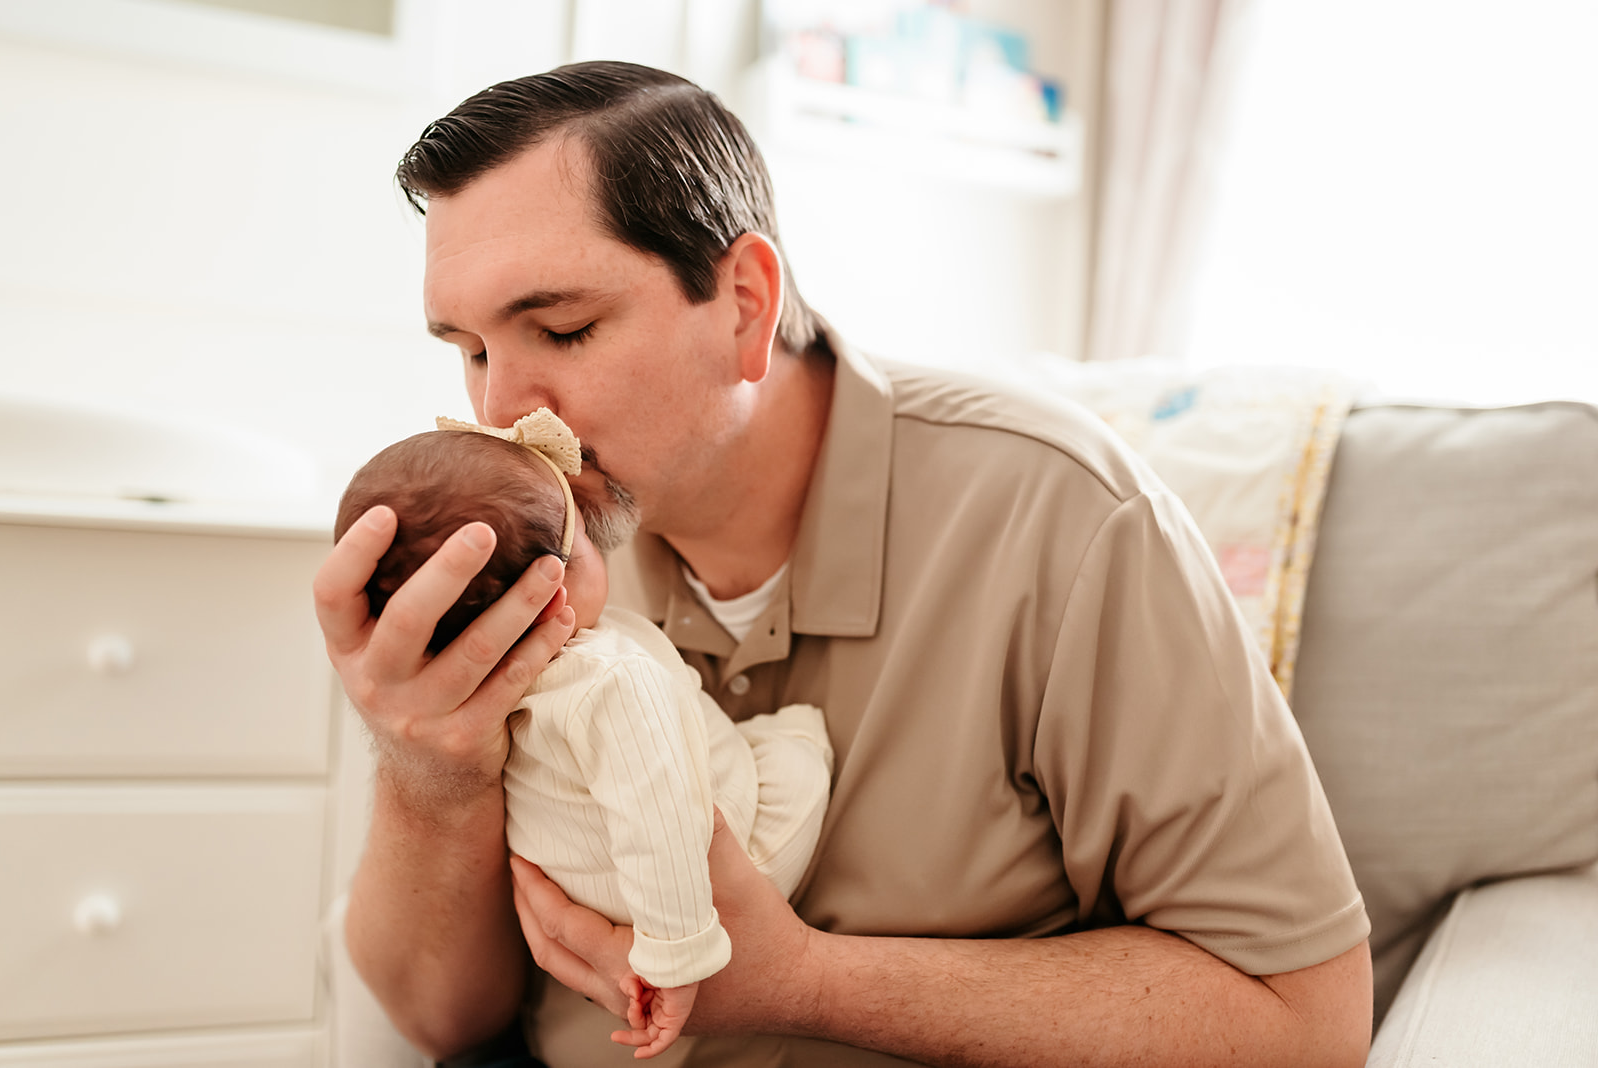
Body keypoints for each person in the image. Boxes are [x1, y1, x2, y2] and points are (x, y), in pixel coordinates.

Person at [315, 60, 1375, 1067]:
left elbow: (1303, 1026)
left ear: (743, 303)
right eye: (469, 349)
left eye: (564, 327)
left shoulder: (1061, 519)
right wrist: (429, 773)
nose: (502, 410)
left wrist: (803, 981)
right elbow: (441, 1020)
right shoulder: (524, 541)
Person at [331, 413, 833, 1059]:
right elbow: (660, 816)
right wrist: (676, 957)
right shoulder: (608, 679)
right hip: (706, 885)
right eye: (587, 535)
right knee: (797, 745)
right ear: (552, 587)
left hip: (582, 893)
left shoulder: (477, 694)